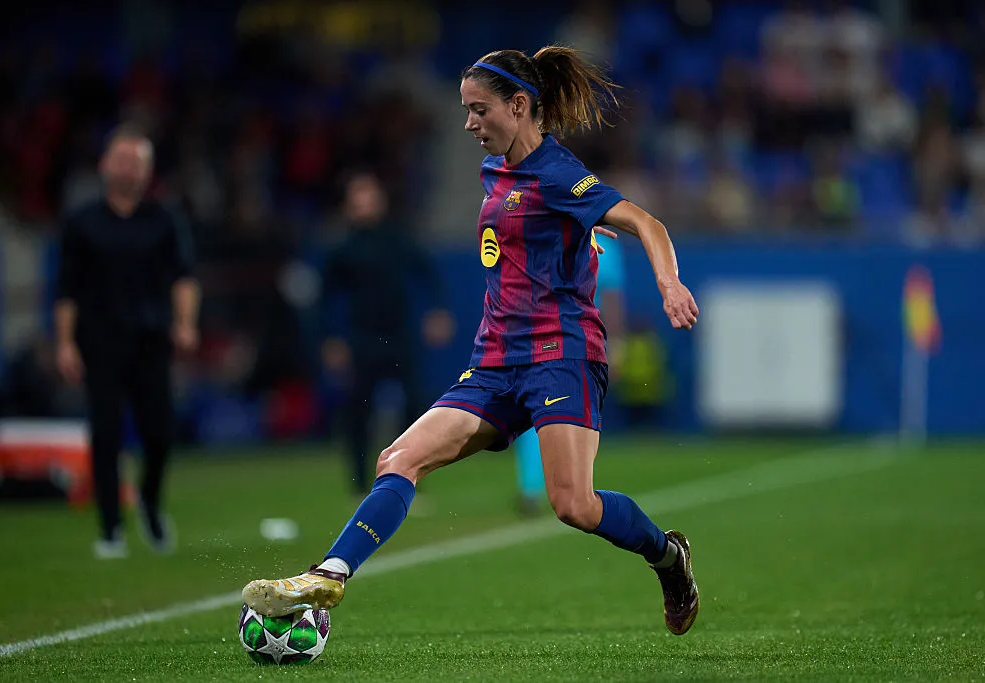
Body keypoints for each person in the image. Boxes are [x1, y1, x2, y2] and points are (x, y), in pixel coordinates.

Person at [242, 46, 700, 635]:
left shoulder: (557, 173)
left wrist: (668, 283)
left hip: (560, 354)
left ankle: (668, 556)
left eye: (479, 109)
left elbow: (646, 223)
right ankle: (329, 572)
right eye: (465, 110)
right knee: (398, 459)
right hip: (494, 362)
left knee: (574, 506)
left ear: (518, 105)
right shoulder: (494, 170)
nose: (468, 123)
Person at [55, 123, 200, 559]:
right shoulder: (82, 223)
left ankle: (150, 504)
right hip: (99, 340)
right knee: (104, 433)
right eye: (121, 159)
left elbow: (183, 276)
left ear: (147, 170)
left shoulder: (163, 219)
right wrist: (64, 343)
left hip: (151, 338)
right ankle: (110, 526)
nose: (127, 168)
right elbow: (67, 289)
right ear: (104, 165)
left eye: (136, 161)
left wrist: (185, 323)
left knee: (159, 432)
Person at [320, 170, 454, 495]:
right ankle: (358, 482)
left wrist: (437, 312)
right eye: (358, 196)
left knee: (414, 408)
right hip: (363, 339)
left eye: (369, 195)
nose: (364, 203)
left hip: (399, 337)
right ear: (349, 204)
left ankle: (409, 475)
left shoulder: (397, 239)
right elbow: (326, 297)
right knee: (359, 411)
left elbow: (428, 273)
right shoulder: (343, 247)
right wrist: (332, 339)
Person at [512, 230, 626, 514]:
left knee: (540, 416)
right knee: (558, 416)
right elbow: (612, 301)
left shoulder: (548, 236)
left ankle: (545, 488)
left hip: (566, 343)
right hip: (566, 345)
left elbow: (611, 300)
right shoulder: (598, 245)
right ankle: (548, 488)